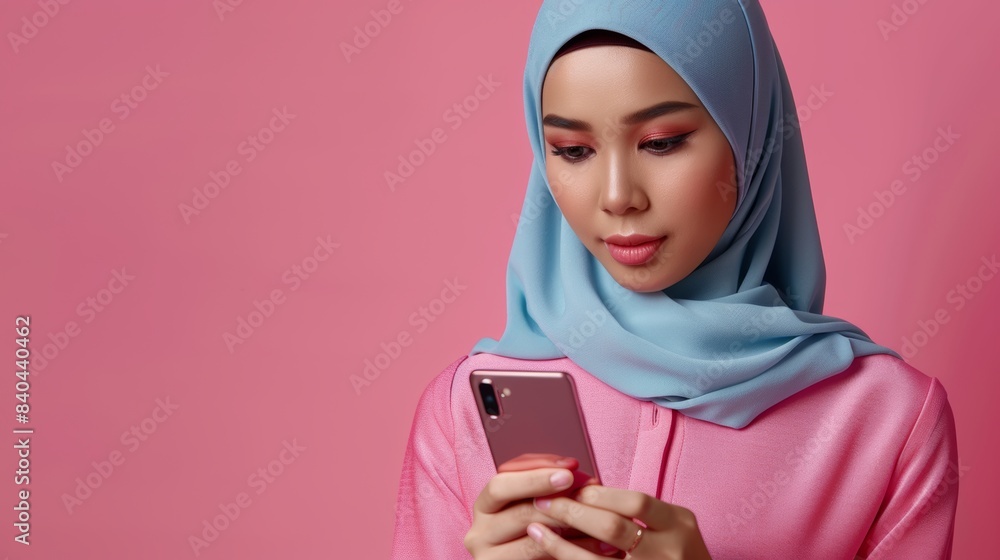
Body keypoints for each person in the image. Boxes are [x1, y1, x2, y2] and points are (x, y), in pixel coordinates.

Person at [390, 1, 959, 558]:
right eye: (572, 150)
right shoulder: (467, 409)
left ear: (750, 138)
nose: (617, 197)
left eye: (660, 142)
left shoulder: (887, 419)